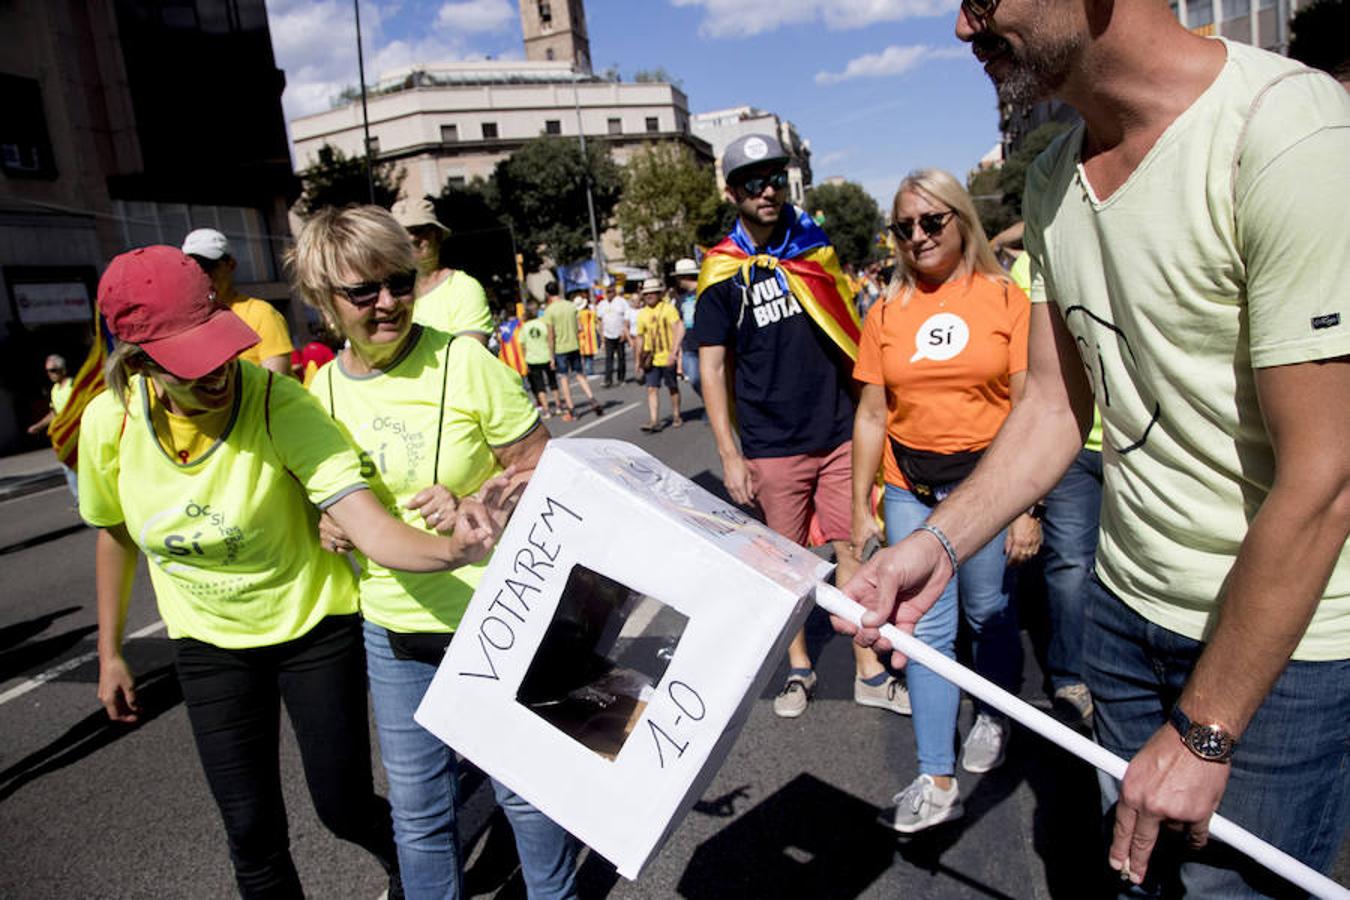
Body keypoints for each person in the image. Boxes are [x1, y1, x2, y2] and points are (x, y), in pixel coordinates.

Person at [842, 3, 1350, 894]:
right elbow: (1049, 407)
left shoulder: (1289, 133)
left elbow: (1328, 474)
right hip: (1122, 623)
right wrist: (935, 543)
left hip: (1281, 658)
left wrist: (1205, 728)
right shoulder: (1052, 177)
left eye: (984, 1)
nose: (965, 30)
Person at [83, 245, 503, 899]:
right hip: (208, 641)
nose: (219, 371)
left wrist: (457, 550)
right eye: (191, 365)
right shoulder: (109, 422)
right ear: (137, 363)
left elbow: (371, 527)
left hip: (312, 628)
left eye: (219, 346)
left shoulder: (280, 404)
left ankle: (414, 862)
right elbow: (114, 533)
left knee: (340, 807)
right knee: (251, 834)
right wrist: (111, 653)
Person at [291, 205, 578, 900]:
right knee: (420, 817)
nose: (387, 303)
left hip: (493, 617)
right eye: (364, 291)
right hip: (392, 629)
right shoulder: (320, 389)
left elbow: (545, 467)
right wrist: (328, 525)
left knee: (524, 798)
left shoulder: (464, 361)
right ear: (325, 300)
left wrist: (485, 500)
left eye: (398, 281)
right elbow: (327, 496)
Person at [694, 133, 909, 721]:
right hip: (770, 443)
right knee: (786, 563)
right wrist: (729, 453)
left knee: (855, 545)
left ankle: (867, 669)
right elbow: (711, 366)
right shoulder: (720, 270)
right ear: (733, 191)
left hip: (838, 430)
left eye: (773, 178)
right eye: (753, 181)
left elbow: (850, 331)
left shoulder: (814, 247)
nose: (767, 190)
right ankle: (799, 667)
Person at [852, 169, 1039, 834]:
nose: (918, 236)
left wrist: (1023, 505)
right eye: (904, 227)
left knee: (989, 611)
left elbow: (1029, 405)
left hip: (988, 485)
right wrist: (856, 515)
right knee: (925, 631)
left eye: (932, 221)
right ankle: (936, 777)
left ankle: (992, 708)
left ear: (962, 220)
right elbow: (872, 415)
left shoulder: (1005, 299)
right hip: (910, 488)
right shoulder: (885, 310)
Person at [1009, 248, 1100, 725]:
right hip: (1073, 441)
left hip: (1143, 438)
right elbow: (1031, 372)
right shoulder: (1033, 265)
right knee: (1069, 565)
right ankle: (1070, 675)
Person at [182, 228, 294, 375]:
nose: (204, 274)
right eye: (195, 268)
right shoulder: (186, 321)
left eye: (209, 266)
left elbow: (275, 383)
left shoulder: (261, 313)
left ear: (231, 265)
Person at [392, 196, 493, 347]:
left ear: (437, 235)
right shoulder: (383, 295)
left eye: (419, 230)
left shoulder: (463, 288)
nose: (411, 238)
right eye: (401, 233)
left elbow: (470, 360)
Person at [541, 281, 603, 420]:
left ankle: (571, 409)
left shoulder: (549, 311)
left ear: (547, 294)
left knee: (564, 379)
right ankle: (592, 398)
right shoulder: (571, 306)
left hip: (560, 348)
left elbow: (550, 336)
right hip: (574, 345)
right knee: (580, 375)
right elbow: (580, 327)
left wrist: (551, 356)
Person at [634, 278, 684, 432]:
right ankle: (654, 419)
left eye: (652, 293)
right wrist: (638, 360)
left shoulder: (668, 309)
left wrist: (675, 354)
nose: (649, 296)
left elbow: (678, 330)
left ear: (658, 294)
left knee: (672, 387)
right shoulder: (642, 314)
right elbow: (640, 338)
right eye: (646, 293)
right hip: (651, 358)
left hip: (667, 356)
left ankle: (676, 414)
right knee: (651, 388)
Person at [27, 354, 79, 499]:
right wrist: (38, 426)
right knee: (68, 466)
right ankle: (79, 499)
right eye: (48, 371)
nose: (50, 374)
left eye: (53, 370)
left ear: (63, 369)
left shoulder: (73, 385)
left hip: (78, 434)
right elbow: (54, 413)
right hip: (64, 437)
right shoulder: (55, 389)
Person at [519, 300, 560, 417]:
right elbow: (551, 339)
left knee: (539, 385)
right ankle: (558, 407)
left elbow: (522, 345)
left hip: (532, 359)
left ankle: (547, 410)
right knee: (553, 382)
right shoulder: (543, 323)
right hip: (546, 356)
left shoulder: (525, 327)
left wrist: (525, 358)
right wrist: (552, 355)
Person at [673, 258, 702, 395]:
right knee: (694, 379)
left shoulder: (704, 290)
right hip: (689, 347)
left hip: (706, 342)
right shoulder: (680, 298)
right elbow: (681, 323)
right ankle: (709, 403)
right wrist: (674, 350)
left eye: (678, 277)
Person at [596, 283, 630, 386]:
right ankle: (608, 380)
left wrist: (625, 332)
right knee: (609, 358)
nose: (609, 294)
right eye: (607, 292)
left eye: (611, 291)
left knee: (621, 357)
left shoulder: (621, 302)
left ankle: (621, 378)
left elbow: (626, 318)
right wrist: (602, 336)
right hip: (608, 334)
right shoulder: (602, 304)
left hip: (620, 333)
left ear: (615, 292)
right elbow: (600, 321)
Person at [572, 289, 599, 376]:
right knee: (589, 356)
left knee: (584, 355)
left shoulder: (577, 314)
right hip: (590, 336)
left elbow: (577, 326)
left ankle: (586, 370)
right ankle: (589, 371)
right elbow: (596, 318)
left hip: (581, 336)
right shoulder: (589, 313)